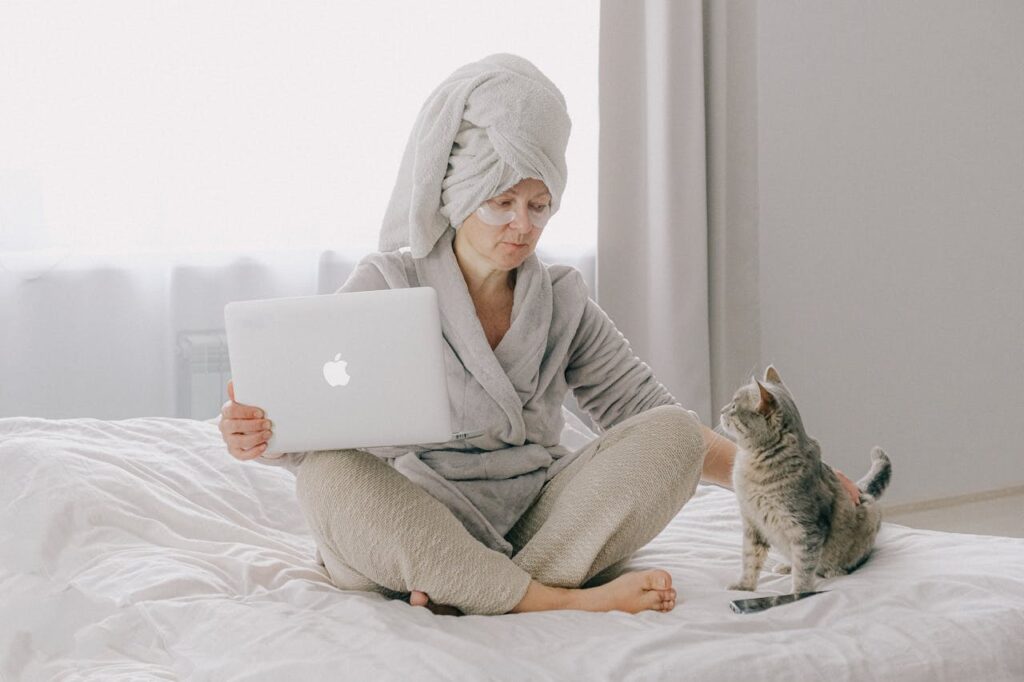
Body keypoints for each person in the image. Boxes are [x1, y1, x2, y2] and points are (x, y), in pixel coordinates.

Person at [218, 54, 861, 617]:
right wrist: (258, 431)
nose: (522, 227)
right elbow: (311, 429)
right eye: (501, 202)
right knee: (328, 479)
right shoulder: (389, 281)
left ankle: (477, 589)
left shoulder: (560, 298)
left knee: (672, 434)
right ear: (456, 193)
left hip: (538, 525)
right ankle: (549, 599)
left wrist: (792, 479)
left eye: (539, 205)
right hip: (423, 519)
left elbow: (645, 411)